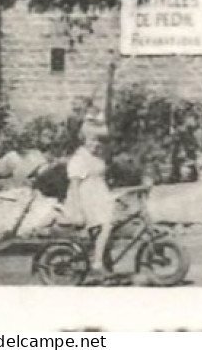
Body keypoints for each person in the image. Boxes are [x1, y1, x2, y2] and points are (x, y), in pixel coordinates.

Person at [63, 120, 114, 283]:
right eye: (92, 140)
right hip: (87, 199)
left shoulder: (97, 157)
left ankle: (106, 263)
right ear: (83, 139)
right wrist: (77, 210)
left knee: (110, 230)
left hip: (101, 196)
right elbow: (74, 186)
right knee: (105, 227)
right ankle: (97, 266)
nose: (96, 144)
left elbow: (101, 179)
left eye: (100, 140)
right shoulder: (79, 159)